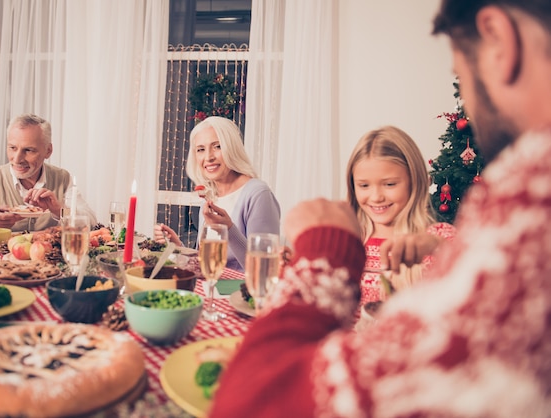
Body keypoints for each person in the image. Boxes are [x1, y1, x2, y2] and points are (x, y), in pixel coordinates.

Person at [208, 1, 551, 416]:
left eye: (460, 76)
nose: (472, 111)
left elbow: (253, 403)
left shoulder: (527, 213)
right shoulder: (520, 211)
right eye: (365, 185)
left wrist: (325, 253)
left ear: (499, 38)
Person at [346, 126, 456, 308]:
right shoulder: (347, 241)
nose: (376, 197)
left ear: (414, 181)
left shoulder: (436, 238)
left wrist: (436, 246)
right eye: (364, 186)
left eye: (389, 184)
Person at [154, 116, 280, 272]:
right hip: (210, 290)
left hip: (241, 294)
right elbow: (206, 265)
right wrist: (177, 247)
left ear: (232, 148)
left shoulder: (258, 195)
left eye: (217, 146)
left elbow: (264, 270)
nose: (208, 157)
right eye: (201, 149)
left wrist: (229, 229)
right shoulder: (210, 196)